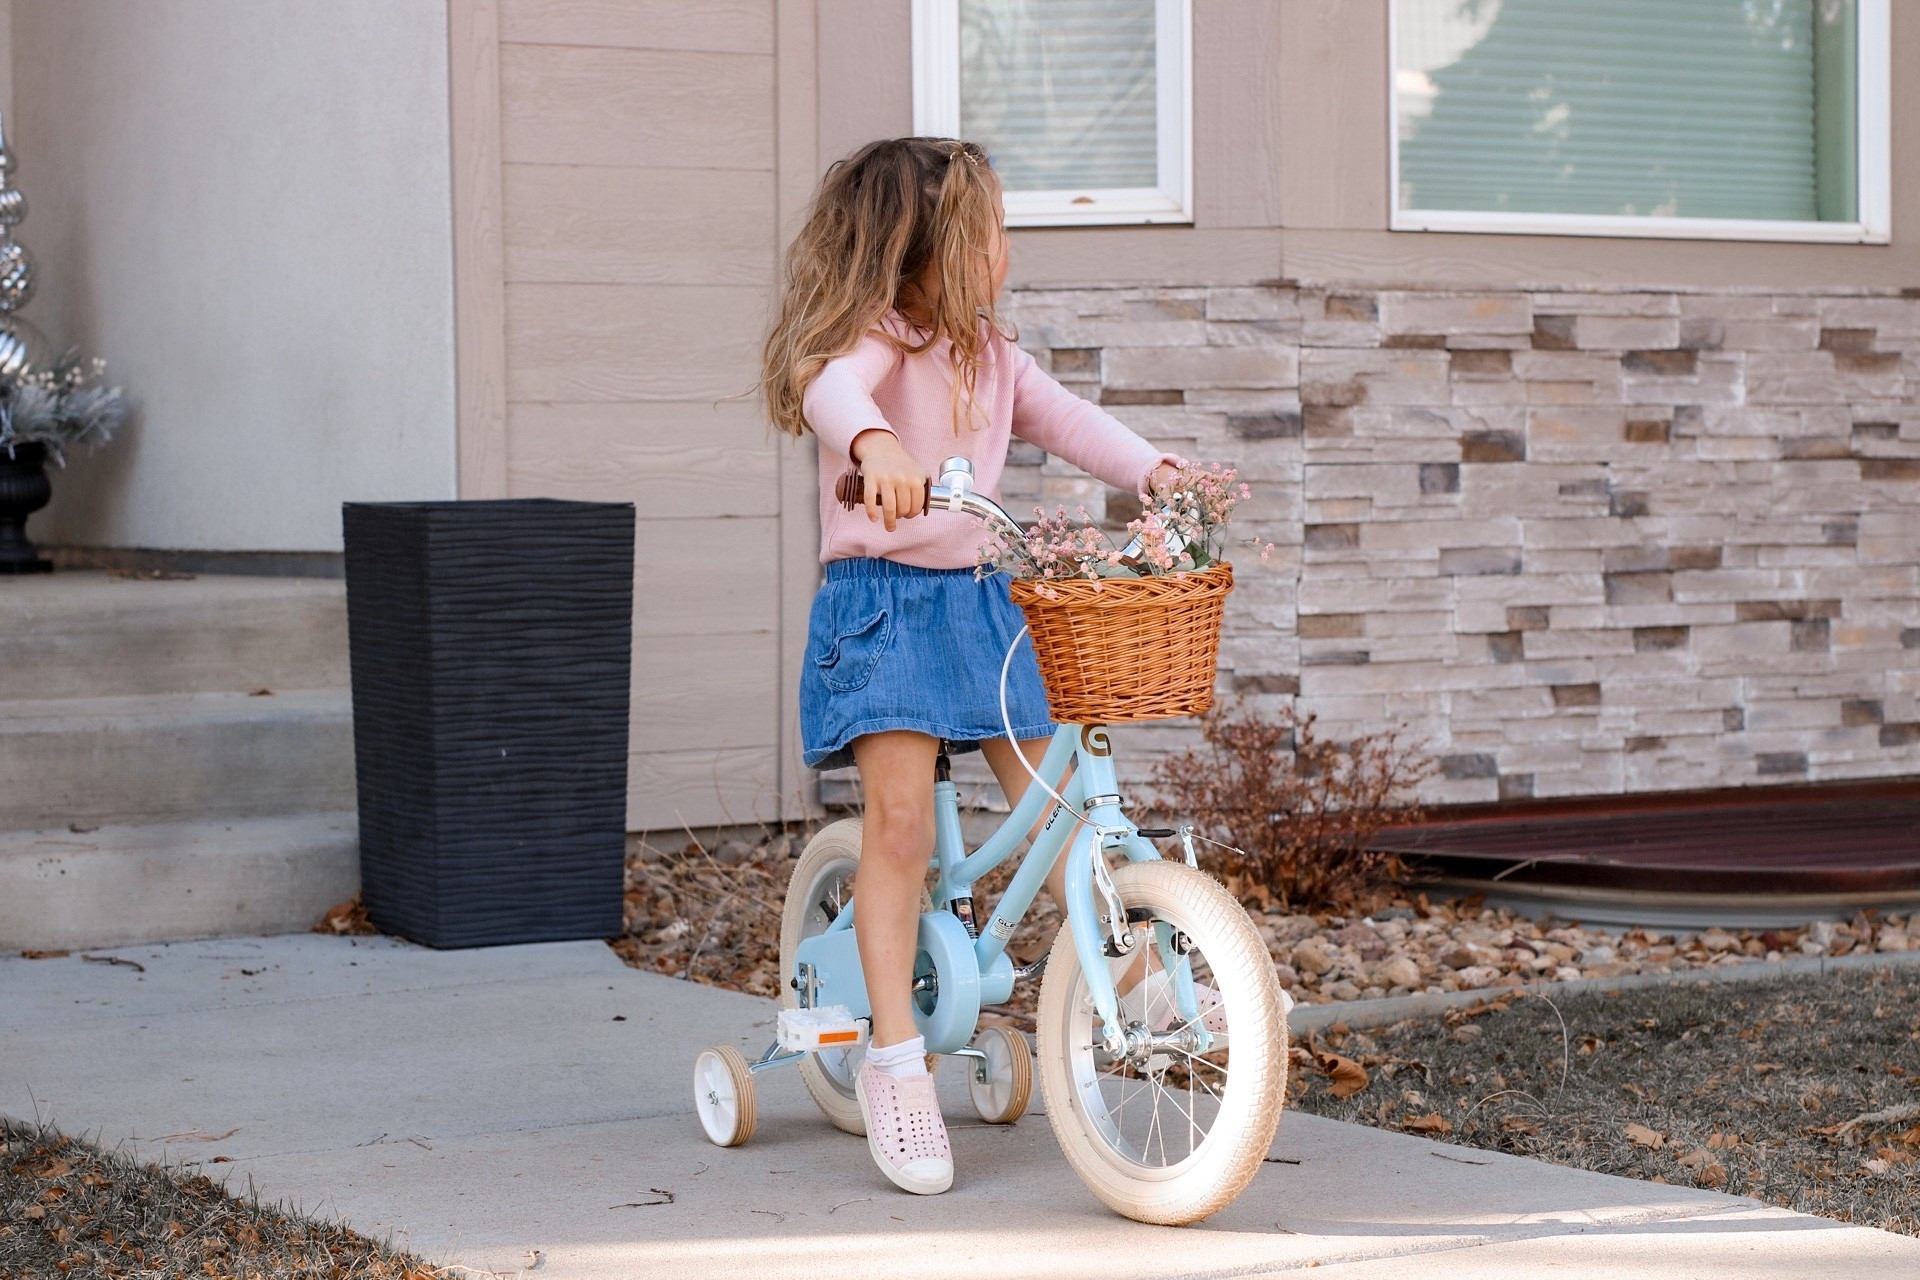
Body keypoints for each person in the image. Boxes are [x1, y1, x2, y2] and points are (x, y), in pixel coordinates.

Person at [760, 137, 1181, 1197]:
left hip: (982, 605)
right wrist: (875, 449)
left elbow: (1069, 422)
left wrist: (1156, 472)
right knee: (901, 825)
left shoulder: (992, 354)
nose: (1005, 250)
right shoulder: (878, 346)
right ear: (927, 253)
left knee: (1057, 800)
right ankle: (896, 1058)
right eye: (988, 234)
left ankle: (1138, 978)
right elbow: (826, 388)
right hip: (885, 608)